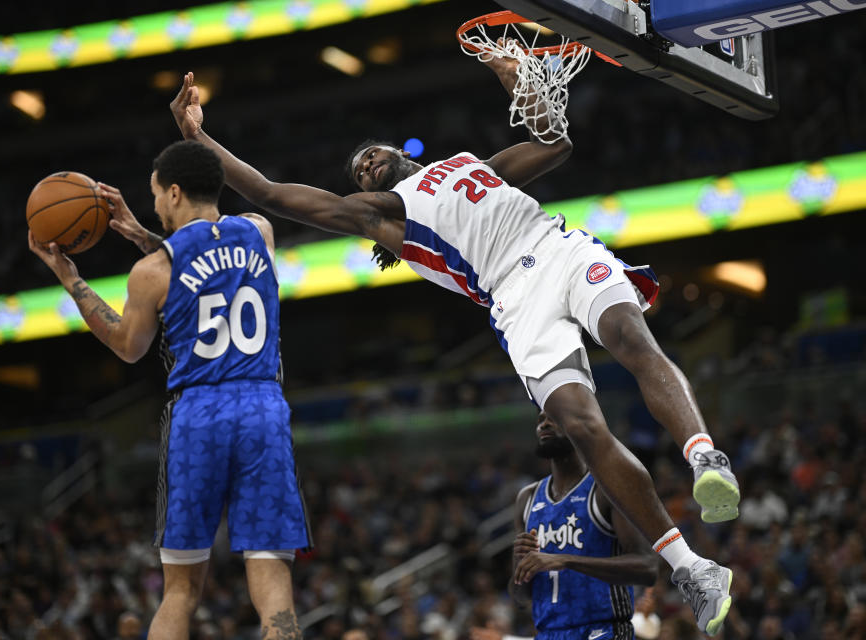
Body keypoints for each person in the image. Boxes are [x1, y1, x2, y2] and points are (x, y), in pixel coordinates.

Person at [168, 55, 735, 634]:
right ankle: (693, 569)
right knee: (586, 431)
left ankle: (704, 458)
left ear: (399, 150)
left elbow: (554, 142)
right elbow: (273, 193)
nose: (364, 164)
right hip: (514, 300)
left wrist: (519, 84)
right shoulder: (388, 216)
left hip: (558, 248)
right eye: (357, 171)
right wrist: (199, 138)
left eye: (369, 154)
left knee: (632, 340)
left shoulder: (470, 165)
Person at [28, 140, 311, 640]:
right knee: (272, 581)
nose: (154, 205)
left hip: (199, 415)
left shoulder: (152, 271)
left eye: (156, 194)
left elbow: (129, 346)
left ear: (174, 191)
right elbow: (210, 264)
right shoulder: (260, 232)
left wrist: (71, 279)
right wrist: (143, 233)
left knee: (181, 589)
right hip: (263, 407)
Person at [510, 411, 658, 640]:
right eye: (540, 420)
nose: (544, 424)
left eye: (554, 418)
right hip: (548, 634)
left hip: (603, 631)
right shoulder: (527, 498)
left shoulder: (606, 488)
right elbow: (521, 596)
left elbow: (648, 567)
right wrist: (520, 565)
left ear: (579, 427)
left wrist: (567, 560)